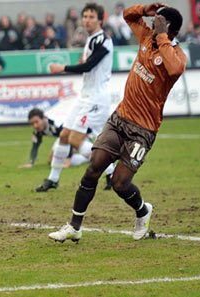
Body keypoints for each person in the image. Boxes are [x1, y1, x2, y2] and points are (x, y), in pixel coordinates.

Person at [48, 3, 186, 243]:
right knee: (93, 168)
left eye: (158, 22)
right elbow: (127, 15)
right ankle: (74, 227)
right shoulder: (145, 36)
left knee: (120, 183)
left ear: (169, 28)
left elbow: (174, 69)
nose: (152, 25)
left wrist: (163, 36)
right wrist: (147, 8)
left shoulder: (175, 54)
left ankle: (143, 211)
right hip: (119, 119)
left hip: (143, 131)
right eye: (154, 21)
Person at [36, 3, 115, 192]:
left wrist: (61, 68)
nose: (87, 20)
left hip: (96, 98)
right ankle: (53, 179)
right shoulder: (90, 40)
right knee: (64, 135)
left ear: (100, 20)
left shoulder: (104, 40)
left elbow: (88, 66)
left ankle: (111, 171)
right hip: (84, 96)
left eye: (91, 17)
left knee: (75, 140)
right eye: (85, 16)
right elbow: (87, 65)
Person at [19, 108, 112, 190]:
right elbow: (35, 145)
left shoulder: (55, 123)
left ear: (43, 118)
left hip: (85, 131)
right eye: (32, 123)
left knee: (66, 144)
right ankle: (88, 160)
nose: (35, 125)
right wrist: (31, 162)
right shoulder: (37, 131)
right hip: (72, 133)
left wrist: (67, 158)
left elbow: (69, 137)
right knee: (52, 159)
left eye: (36, 122)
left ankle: (109, 170)